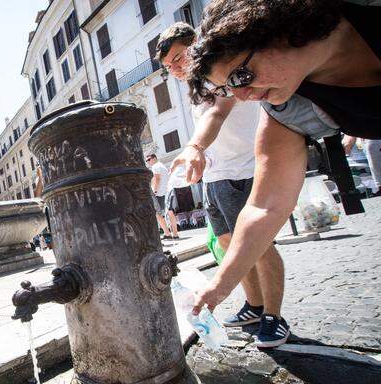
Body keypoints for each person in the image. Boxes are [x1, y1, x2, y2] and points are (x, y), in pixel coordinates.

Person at [184, 0, 381, 327]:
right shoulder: (287, 112)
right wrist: (217, 288)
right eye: (230, 87)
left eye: (242, 75)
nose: (244, 95)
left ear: (277, 30)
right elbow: (264, 206)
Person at [157, 22, 288, 347]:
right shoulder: (195, 85)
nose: (173, 68)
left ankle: (275, 317)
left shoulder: (220, 73)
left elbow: (217, 114)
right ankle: (254, 306)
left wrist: (194, 148)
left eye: (177, 57)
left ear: (195, 44)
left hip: (242, 170)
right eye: (167, 66)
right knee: (229, 247)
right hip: (216, 178)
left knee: (258, 246)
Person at [146, 154, 179, 240]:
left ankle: (167, 233)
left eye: (149, 159)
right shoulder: (163, 166)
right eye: (147, 160)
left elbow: (157, 179)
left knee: (158, 214)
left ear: (154, 158)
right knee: (170, 212)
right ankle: (175, 234)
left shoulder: (155, 166)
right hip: (168, 191)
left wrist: (155, 191)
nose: (148, 162)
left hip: (160, 193)